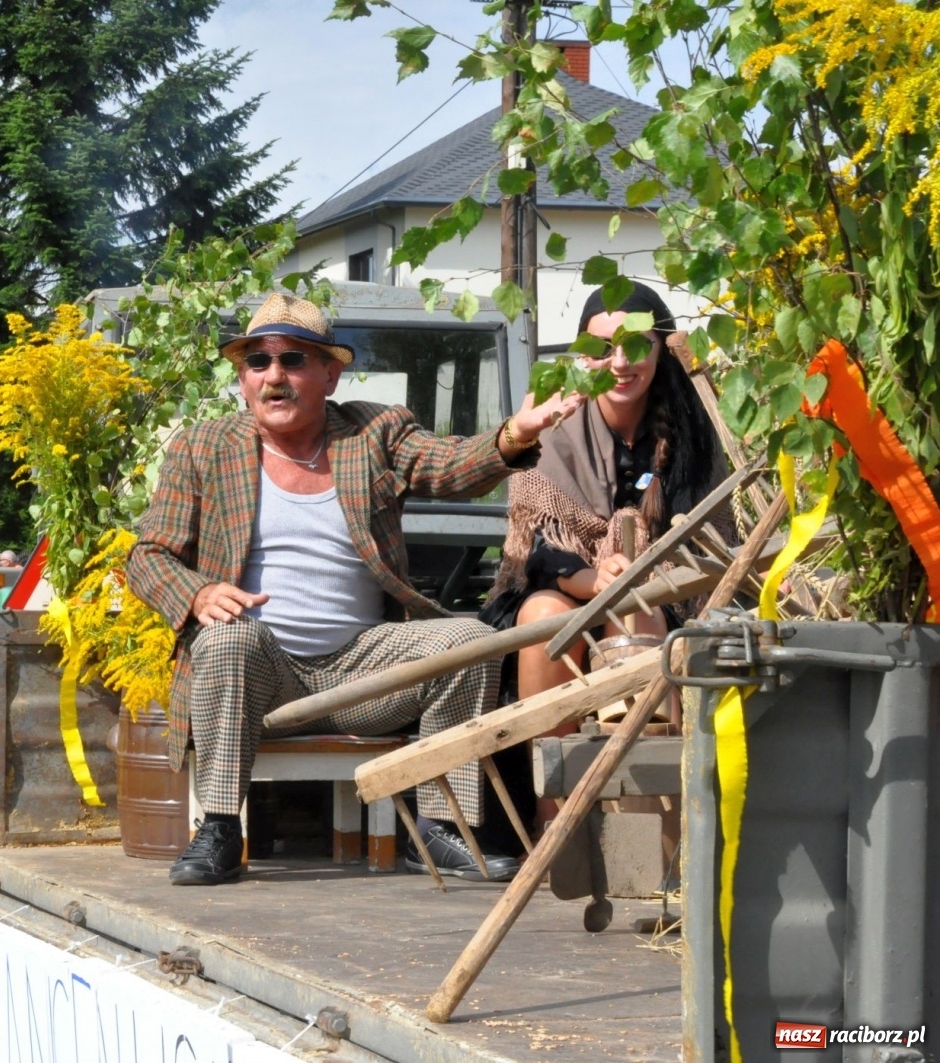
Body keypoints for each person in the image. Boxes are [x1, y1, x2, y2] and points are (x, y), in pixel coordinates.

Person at [127, 292, 582, 887]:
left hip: (364, 669)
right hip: (259, 677)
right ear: (241, 379)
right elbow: (148, 556)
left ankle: (439, 830)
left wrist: (509, 438)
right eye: (257, 363)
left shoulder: (372, 431)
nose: (274, 377)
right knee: (224, 640)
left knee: (471, 641)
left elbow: (447, 464)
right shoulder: (203, 447)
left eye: (293, 360)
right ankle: (218, 829)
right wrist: (196, 594)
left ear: (329, 373)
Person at [481, 283, 731, 719]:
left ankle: (647, 779)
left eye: (635, 345)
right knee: (546, 618)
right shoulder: (552, 422)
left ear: (660, 350)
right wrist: (595, 579)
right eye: (601, 348)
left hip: (666, 598)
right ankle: (553, 785)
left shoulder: (694, 431)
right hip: (563, 585)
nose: (618, 362)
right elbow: (535, 551)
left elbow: (707, 541)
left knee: (640, 613)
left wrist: (639, 575)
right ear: (582, 355)